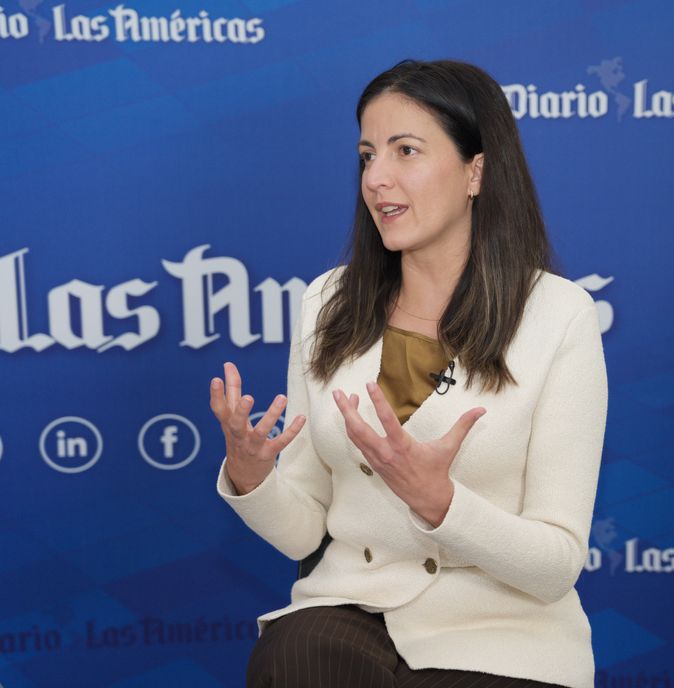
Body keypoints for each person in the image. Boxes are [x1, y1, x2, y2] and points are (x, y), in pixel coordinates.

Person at [210, 58, 608, 688]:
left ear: (476, 169)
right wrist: (252, 474)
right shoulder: (327, 301)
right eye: (368, 155)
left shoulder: (559, 315)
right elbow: (305, 530)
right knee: (293, 659)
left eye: (406, 151)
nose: (377, 178)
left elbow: (555, 565)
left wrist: (440, 501)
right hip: (353, 608)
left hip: (501, 627)